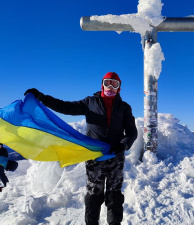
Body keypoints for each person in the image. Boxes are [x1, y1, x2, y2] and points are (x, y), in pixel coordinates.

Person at [24, 72, 138, 225]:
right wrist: (42, 97)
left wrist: (123, 145)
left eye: (115, 84)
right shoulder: (90, 102)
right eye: (107, 83)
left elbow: (132, 131)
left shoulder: (124, 108)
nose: (110, 87)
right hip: (94, 157)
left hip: (115, 157)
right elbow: (65, 107)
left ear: (119, 88)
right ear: (102, 84)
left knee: (114, 196)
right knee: (94, 195)